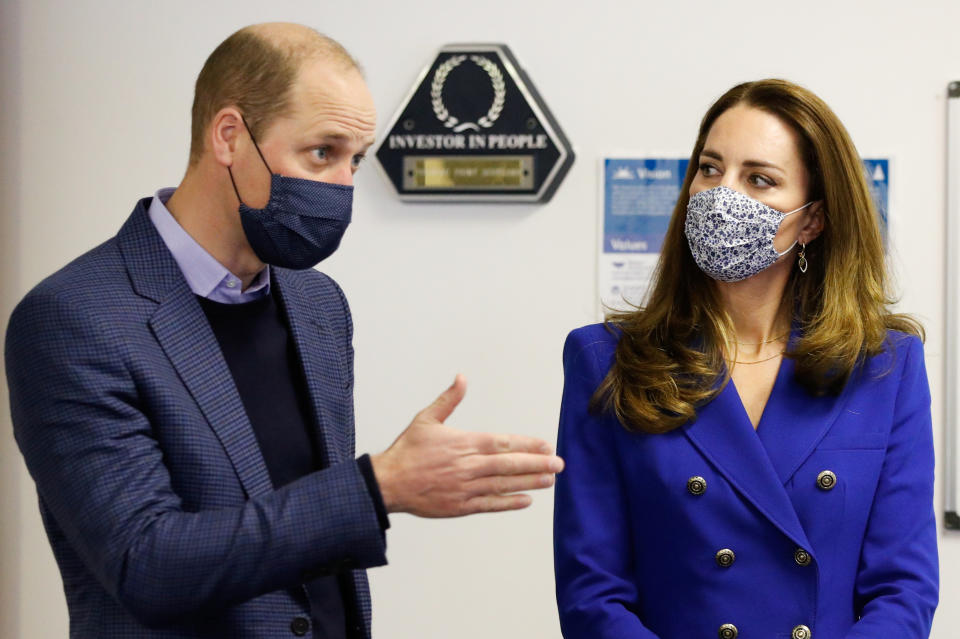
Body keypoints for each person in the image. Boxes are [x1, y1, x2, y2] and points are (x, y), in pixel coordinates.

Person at [5, 23, 563, 639]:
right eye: (322, 153)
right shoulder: (73, 318)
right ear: (228, 137)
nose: (345, 188)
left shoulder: (318, 305)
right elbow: (147, 563)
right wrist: (378, 488)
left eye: (357, 159)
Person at [553, 79, 938, 639]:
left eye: (759, 179)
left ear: (812, 220)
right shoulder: (605, 358)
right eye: (710, 169)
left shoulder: (884, 365)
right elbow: (593, 592)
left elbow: (902, 590)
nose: (720, 194)